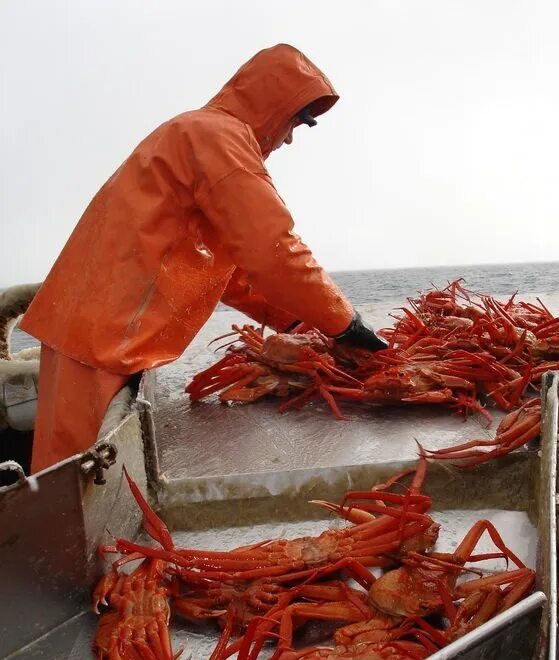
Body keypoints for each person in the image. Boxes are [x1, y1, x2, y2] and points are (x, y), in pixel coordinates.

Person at [21, 43, 386, 474]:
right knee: (75, 485)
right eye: (297, 121)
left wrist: (293, 321)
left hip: (97, 333)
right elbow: (273, 249)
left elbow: (222, 267)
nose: (289, 138)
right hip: (100, 340)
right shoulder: (218, 139)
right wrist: (345, 324)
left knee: (80, 477)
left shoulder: (195, 132)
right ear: (275, 103)